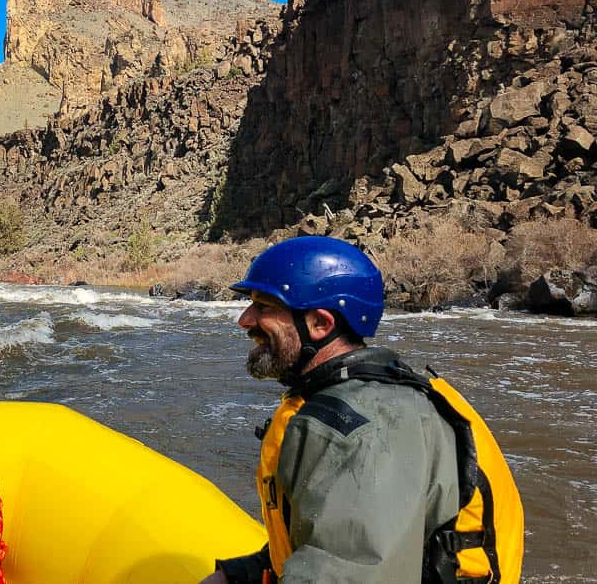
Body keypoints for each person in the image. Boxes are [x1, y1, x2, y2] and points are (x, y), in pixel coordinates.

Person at [204, 236, 522, 584]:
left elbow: (352, 571)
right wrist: (240, 574)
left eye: (263, 306)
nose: (244, 320)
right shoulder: (348, 399)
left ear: (320, 324)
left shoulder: (364, 429)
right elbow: (332, 537)